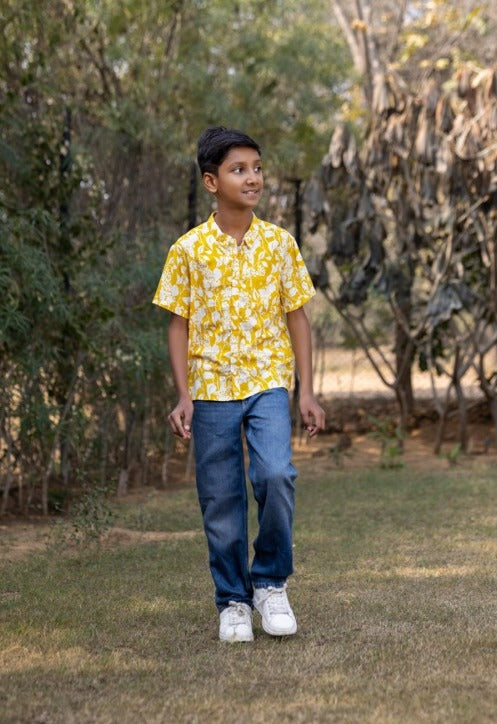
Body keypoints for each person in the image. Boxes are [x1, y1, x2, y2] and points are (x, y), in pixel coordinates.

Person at [153, 126, 325, 642]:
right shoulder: (188, 250)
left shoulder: (280, 244)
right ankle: (232, 599)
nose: (253, 178)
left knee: (276, 475)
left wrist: (307, 390)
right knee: (221, 498)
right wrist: (183, 394)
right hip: (209, 391)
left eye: (256, 167)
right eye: (238, 169)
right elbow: (177, 324)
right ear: (211, 181)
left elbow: (298, 318)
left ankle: (270, 583)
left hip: (268, 382)